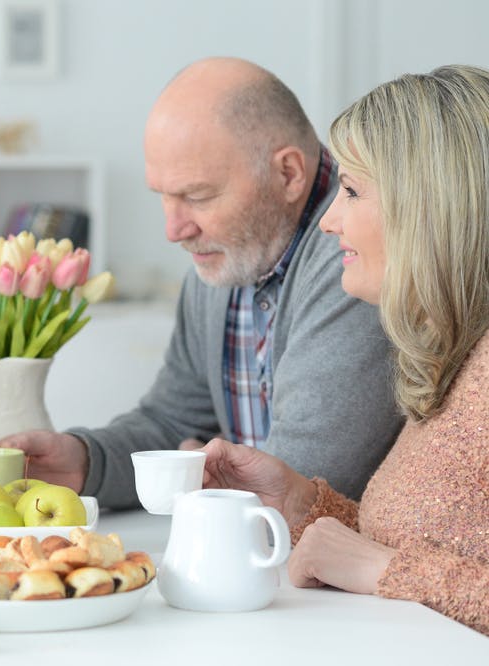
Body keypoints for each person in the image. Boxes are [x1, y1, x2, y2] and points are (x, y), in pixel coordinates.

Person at [0, 57, 404, 507]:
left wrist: (196, 480)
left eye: (197, 196)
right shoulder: (231, 256)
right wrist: (87, 461)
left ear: (288, 173)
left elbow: (305, 480)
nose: (174, 230)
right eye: (164, 198)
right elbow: (173, 423)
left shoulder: (357, 258)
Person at [200, 64, 489, 635]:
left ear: (430, 209)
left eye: (353, 192)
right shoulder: (459, 360)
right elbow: (430, 540)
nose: (329, 221)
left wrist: (386, 570)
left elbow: (397, 562)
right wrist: (300, 502)